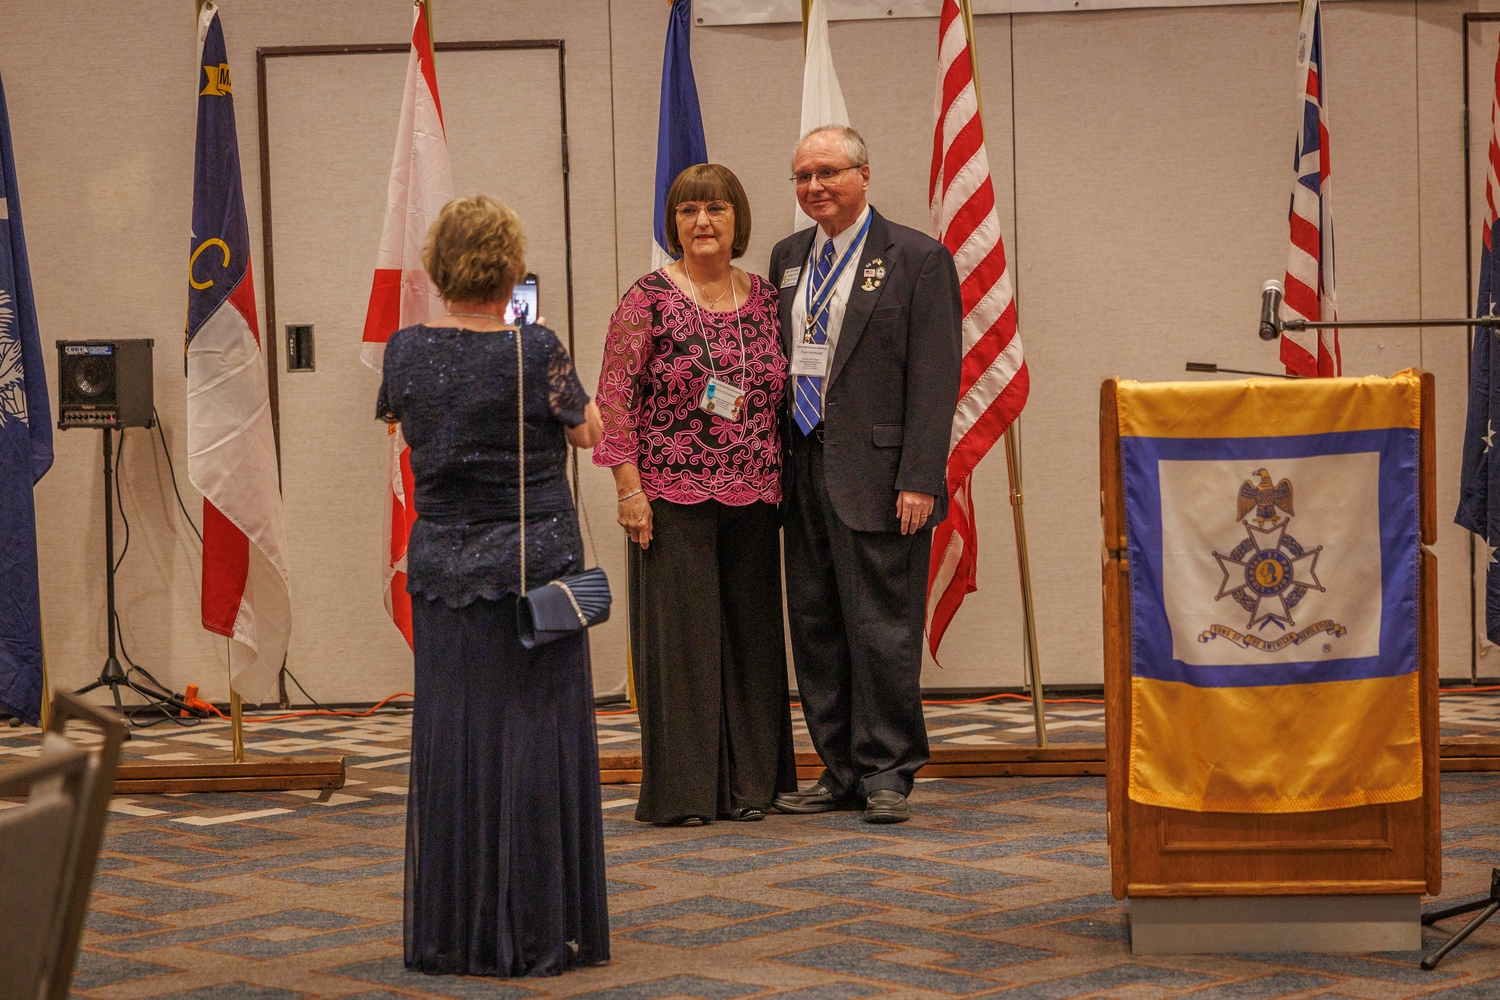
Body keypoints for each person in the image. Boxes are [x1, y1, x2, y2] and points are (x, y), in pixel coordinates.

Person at [376, 194, 609, 977]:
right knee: (534, 741)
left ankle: (458, 927)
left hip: (443, 572)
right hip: (532, 575)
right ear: (512, 270)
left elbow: (401, 423)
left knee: (455, 740)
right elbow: (588, 433)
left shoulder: (405, 350)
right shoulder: (535, 347)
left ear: (438, 269)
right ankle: (534, 926)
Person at [769, 125, 962, 824]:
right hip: (802, 467)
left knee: (882, 628)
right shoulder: (787, 258)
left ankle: (887, 770)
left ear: (864, 175)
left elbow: (936, 379)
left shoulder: (917, 258)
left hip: (882, 477)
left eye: (828, 172)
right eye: (803, 176)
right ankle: (840, 768)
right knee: (816, 624)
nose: (814, 186)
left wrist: (921, 476)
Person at [595, 163, 797, 826]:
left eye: (715, 209)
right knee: (683, 647)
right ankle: (685, 794)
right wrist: (629, 490)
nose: (702, 222)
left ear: (738, 220)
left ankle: (751, 787)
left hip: (755, 495)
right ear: (673, 224)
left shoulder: (765, 298)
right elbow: (614, 400)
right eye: (688, 211)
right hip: (670, 497)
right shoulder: (647, 298)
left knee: (751, 642)